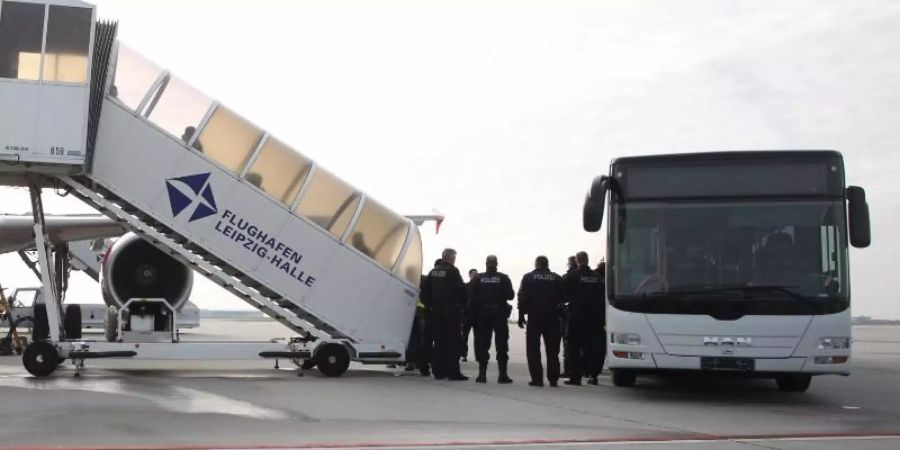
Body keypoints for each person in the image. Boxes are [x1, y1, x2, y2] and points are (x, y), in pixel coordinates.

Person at [420, 250, 469, 381]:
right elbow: (461, 290)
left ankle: (438, 371)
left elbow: (424, 291)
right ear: (451, 258)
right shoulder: (453, 271)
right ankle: (453, 372)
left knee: (439, 342)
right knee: (453, 341)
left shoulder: (433, 271)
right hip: (451, 310)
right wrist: (462, 305)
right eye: (454, 258)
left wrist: (430, 305)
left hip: (436, 311)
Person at [518, 256, 565, 387]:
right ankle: (553, 379)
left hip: (535, 316)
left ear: (536, 264)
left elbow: (522, 297)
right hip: (552, 317)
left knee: (533, 349)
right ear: (547, 264)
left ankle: (537, 379)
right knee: (553, 349)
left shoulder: (528, 277)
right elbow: (563, 298)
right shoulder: (556, 278)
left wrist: (521, 315)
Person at [562, 251, 605, 385]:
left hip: (576, 317)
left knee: (573, 347)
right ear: (587, 260)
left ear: (577, 261)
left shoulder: (571, 276)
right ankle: (593, 375)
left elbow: (562, 294)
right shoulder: (597, 277)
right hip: (594, 318)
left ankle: (576, 377)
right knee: (592, 347)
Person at [472, 255, 515, 384]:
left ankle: (482, 374)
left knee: (483, 344)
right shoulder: (503, 277)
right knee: (501, 345)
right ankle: (502, 375)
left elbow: (472, 297)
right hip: (499, 314)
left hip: (483, 314)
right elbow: (511, 295)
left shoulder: (479, 278)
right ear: (496, 264)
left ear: (486, 264)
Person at [561, 255, 577, 379]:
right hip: (590, 316)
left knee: (569, 345)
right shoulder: (594, 276)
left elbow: (560, 295)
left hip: (570, 315)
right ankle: (586, 370)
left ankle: (569, 371)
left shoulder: (567, 277)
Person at [461, 268, 478, 362]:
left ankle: (478, 355)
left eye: (477, 274)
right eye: (474, 274)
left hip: (477, 315)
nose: (475, 276)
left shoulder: (481, 287)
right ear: (470, 275)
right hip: (466, 315)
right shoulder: (466, 286)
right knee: (464, 336)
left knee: (478, 337)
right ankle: (463, 354)